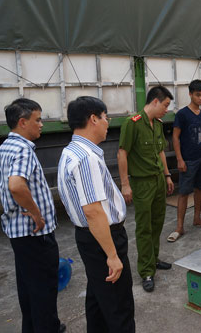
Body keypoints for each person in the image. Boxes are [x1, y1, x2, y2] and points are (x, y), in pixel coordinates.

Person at [0, 98, 64, 333]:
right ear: (22, 122)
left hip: (17, 232)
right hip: (35, 232)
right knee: (44, 289)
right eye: (37, 120)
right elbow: (16, 186)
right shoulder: (22, 150)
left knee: (29, 288)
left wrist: (12, 202)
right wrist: (36, 214)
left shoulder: (6, 147)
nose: (41, 125)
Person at [57, 97, 135, 332]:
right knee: (118, 307)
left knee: (99, 301)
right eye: (105, 117)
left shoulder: (71, 152)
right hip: (103, 239)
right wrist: (112, 254)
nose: (107, 122)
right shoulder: (86, 158)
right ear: (93, 119)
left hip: (91, 238)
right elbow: (92, 211)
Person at [118, 86, 175, 293]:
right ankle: (146, 271)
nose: (167, 110)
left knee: (157, 222)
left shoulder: (157, 124)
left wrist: (167, 175)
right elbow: (122, 153)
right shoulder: (132, 124)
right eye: (166, 105)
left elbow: (160, 151)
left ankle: (154, 259)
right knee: (144, 227)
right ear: (155, 102)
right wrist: (125, 184)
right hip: (142, 183)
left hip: (158, 180)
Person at [168, 80, 201, 243]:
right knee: (184, 192)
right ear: (190, 94)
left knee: (200, 189)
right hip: (188, 159)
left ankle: (197, 219)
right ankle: (179, 227)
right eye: (197, 95)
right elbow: (175, 137)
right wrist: (179, 159)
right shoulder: (182, 114)